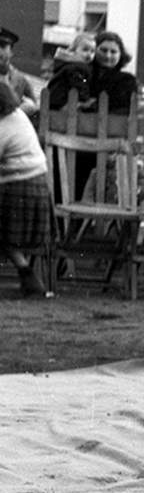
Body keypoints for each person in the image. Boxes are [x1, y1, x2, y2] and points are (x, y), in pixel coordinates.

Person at [0, 81, 53, 297]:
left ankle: (27, 274)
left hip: (20, 187)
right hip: (35, 186)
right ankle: (27, 275)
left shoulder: (4, 125)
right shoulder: (17, 116)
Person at [89, 31, 138, 115]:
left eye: (113, 52)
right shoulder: (83, 73)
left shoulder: (127, 81)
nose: (108, 56)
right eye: (103, 50)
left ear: (121, 54)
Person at [0, 27, 39, 119]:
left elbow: (34, 105)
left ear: (11, 52)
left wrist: (20, 111)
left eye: (2, 46)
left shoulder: (20, 79)